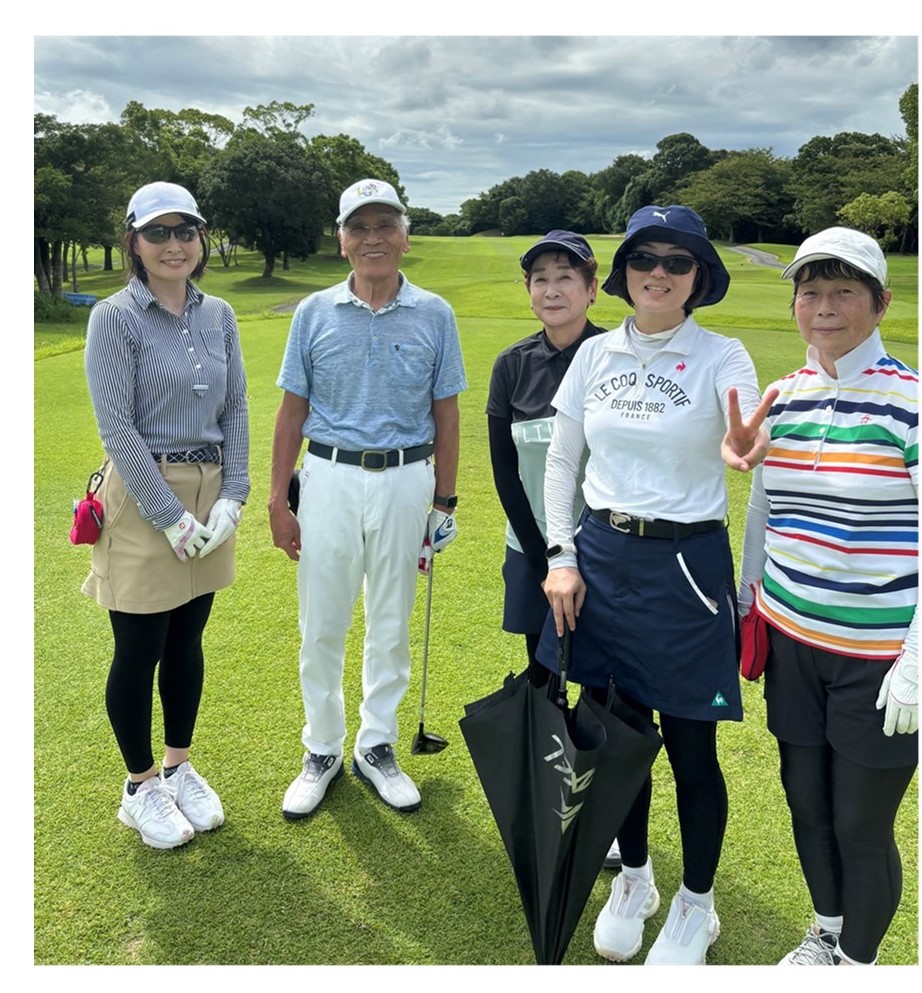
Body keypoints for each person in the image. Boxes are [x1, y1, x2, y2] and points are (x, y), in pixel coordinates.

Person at [537, 204, 774, 965]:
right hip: (601, 560)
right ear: (624, 272)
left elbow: (745, 434)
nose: (659, 273)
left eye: (678, 260)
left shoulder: (721, 354)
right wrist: (561, 554)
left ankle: (697, 904)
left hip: (685, 566)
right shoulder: (595, 353)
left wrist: (744, 445)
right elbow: (562, 461)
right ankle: (634, 879)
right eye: (646, 258)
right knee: (618, 738)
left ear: (699, 276)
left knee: (691, 749)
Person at [737, 227, 918, 967]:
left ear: (880, 303)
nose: (824, 307)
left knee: (860, 824)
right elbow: (762, 508)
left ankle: (858, 965)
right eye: (810, 292)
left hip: (878, 658)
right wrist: (745, 604)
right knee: (806, 803)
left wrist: (916, 663)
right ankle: (827, 934)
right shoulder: (782, 397)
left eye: (844, 291)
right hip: (792, 643)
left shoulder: (909, 403)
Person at [269, 178, 467, 819]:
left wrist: (445, 502)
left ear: (405, 237)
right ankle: (322, 748)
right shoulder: (313, 312)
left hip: (407, 479)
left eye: (385, 226)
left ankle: (376, 744)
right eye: (360, 227)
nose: (372, 238)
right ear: (342, 240)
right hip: (327, 477)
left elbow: (447, 414)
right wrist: (277, 499)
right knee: (321, 622)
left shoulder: (435, 313)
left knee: (390, 622)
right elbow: (292, 411)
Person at [82, 181, 250, 850]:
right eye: (158, 232)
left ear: (200, 238)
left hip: (210, 487)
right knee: (139, 648)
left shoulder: (220, 315)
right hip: (144, 492)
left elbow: (236, 407)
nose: (174, 244)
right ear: (134, 241)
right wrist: (168, 516)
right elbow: (117, 426)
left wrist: (235, 493)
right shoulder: (115, 316)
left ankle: (178, 767)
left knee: (187, 639)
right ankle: (140, 785)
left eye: (186, 231)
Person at [485, 230, 622, 869]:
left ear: (592, 289)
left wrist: (578, 553)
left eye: (567, 276)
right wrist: (547, 556)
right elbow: (506, 471)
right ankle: (550, 796)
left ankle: (603, 808)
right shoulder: (512, 365)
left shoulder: (617, 359)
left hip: (606, 550)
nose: (552, 288)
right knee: (543, 675)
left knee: (602, 682)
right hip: (532, 549)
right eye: (540, 278)